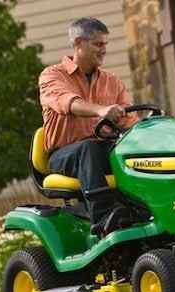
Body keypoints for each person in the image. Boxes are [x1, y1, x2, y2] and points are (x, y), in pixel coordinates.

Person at [38, 17, 138, 236]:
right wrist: (100, 110)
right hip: (64, 155)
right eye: (98, 44)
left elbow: (130, 121)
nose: (104, 50)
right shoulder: (52, 76)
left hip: (103, 150)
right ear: (78, 44)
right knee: (88, 148)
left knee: (138, 151)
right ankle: (103, 219)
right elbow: (67, 102)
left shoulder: (112, 81)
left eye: (105, 44)